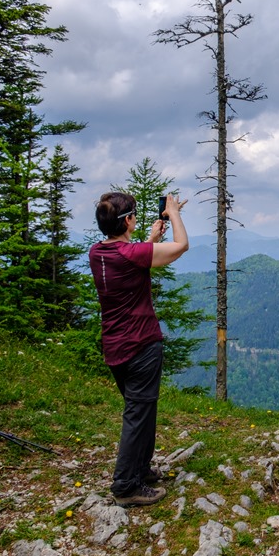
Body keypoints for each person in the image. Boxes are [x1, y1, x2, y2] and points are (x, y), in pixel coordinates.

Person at [89, 191, 189, 507]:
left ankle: (140, 470)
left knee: (142, 411)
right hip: (141, 345)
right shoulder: (131, 254)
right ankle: (125, 486)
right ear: (128, 220)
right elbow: (181, 246)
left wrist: (149, 239)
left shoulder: (97, 252)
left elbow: (130, 260)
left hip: (115, 345)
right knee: (137, 415)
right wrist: (173, 213)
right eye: (133, 214)